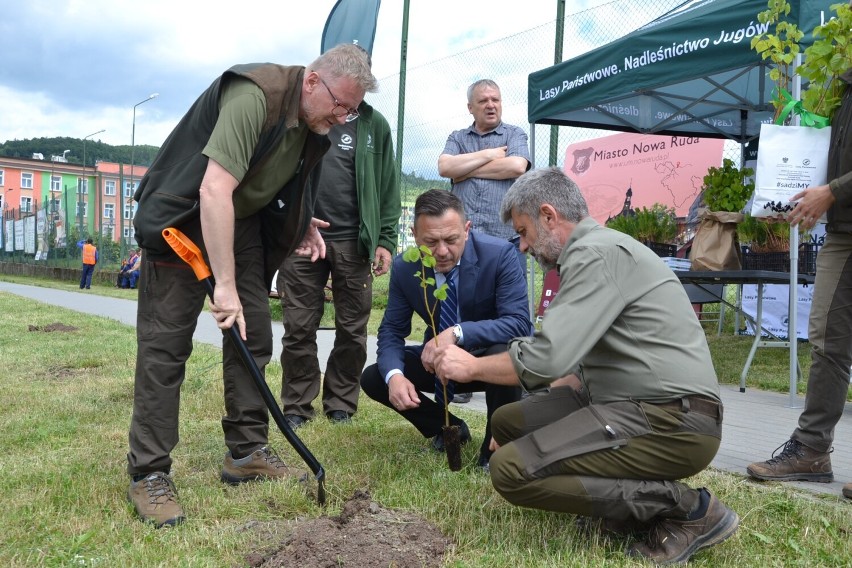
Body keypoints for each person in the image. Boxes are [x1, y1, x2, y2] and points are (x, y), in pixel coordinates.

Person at [125, 44, 377, 528]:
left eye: (353, 110)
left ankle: (246, 452)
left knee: (253, 335)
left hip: (236, 225)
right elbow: (213, 189)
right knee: (165, 348)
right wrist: (224, 286)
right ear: (311, 82)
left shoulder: (313, 123)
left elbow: (275, 179)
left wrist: (301, 223)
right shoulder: (255, 95)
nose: (344, 119)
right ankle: (149, 473)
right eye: (340, 105)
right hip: (183, 220)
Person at [433, 168, 740, 564]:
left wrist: (470, 367)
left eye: (524, 232)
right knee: (509, 422)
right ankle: (621, 509)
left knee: (509, 470)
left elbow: (546, 358)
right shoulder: (599, 250)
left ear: (548, 216)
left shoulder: (593, 253)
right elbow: (580, 359)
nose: (523, 247)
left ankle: (688, 508)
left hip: (672, 422)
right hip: (636, 405)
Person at [360, 189, 529, 470]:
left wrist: (458, 332)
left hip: (489, 361)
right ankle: (448, 427)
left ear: (466, 229)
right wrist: (395, 377)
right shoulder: (405, 267)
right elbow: (391, 330)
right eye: (430, 241)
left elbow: (519, 323)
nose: (441, 251)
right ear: (414, 234)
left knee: (509, 351)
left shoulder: (500, 255)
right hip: (440, 366)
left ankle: (492, 451)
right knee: (376, 376)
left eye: (451, 240)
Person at [747, 67, 852, 501]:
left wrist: (834, 191)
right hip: (844, 231)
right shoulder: (845, 84)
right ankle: (811, 450)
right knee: (826, 339)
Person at [277, 91, 400, 428]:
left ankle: (340, 403)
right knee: (299, 326)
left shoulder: (376, 125)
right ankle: (297, 405)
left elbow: (388, 185)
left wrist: (385, 239)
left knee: (352, 328)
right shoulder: (307, 114)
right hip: (301, 239)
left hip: (353, 241)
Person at [437, 79, 531, 402]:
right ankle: (462, 377)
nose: (491, 105)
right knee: (463, 313)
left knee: (511, 321)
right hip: (463, 246)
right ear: (470, 107)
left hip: (505, 245)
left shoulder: (515, 134)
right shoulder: (457, 137)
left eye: (496, 99)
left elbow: (517, 166)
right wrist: (490, 155)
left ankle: (509, 380)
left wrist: (467, 168)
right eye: (483, 101)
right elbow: (445, 166)